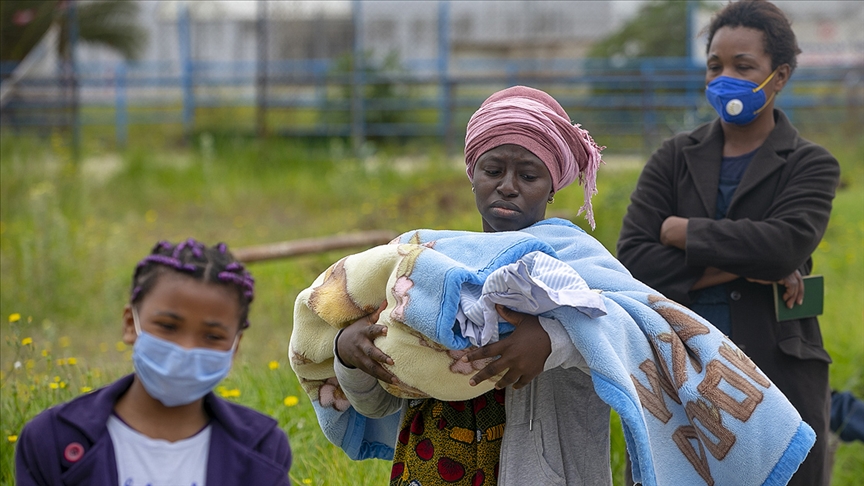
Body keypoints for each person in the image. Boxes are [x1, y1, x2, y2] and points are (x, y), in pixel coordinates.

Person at [332, 85, 611, 485]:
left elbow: (631, 340)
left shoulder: (577, 260)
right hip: (429, 467)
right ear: (472, 177)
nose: (508, 186)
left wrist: (551, 340)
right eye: (493, 171)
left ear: (552, 188)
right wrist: (348, 353)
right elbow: (379, 402)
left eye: (529, 175)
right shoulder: (425, 264)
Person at [616, 1, 841, 485]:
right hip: (680, 368)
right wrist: (747, 264)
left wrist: (682, 232)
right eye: (715, 66)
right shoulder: (674, 157)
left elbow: (783, 247)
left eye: (744, 67)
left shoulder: (811, 164)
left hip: (776, 367)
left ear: (778, 77)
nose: (724, 78)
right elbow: (635, 261)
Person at [15, 239, 292, 486]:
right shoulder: (52, 439)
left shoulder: (262, 449)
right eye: (168, 327)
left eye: (212, 335)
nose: (185, 348)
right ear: (130, 324)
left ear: (235, 346)